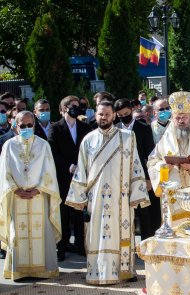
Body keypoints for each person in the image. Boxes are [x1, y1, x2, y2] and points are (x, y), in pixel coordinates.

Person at [65, 101, 150, 285]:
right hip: (95, 198)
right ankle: (97, 272)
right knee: (96, 235)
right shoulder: (88, 140)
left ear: (114, 116)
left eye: (107, 114)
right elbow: (82, 170)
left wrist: (136, 194)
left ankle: (123, 271)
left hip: (121, 197)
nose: (103, 117)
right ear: (95, 115)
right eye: (100, 114)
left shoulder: (127, 137)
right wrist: (79, 199)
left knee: (120, 233)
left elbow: (136, 166)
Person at [0, 111, 61, 280]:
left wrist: (39, 189)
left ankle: (44, 269)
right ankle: (19, 270)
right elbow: (4, 172)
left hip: (39, 197)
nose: (26, 128)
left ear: (34, 125)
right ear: (15, 126)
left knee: (41, 231)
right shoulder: (9, 145)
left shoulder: (43, 145)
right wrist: (14, 188)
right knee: (17, 232)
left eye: (29, 125)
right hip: (16, 197)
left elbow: (49, 171)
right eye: (22, 126)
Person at [147, 91, 190, 228]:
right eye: (177, 117)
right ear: (172, 118)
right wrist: (163, 167)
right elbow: (152, 161)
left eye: (184, 117)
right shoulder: (165, 140)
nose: (181, 120)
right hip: (174, 197)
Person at [48, 95, 93, 261]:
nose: (77, 108)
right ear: (64, 108)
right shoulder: (55, 128)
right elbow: (53, 152)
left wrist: (82, 166)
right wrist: (69, 165)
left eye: (78, 105)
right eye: (73, 106)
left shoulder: (85, 127)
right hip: (63, 177)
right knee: (64, 213)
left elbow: (90, 150)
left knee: (79, 211)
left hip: (82, 177)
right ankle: (62, 246)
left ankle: (82, 246)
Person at [115, 99, 160, 240]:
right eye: (120, 115)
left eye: (127, 113)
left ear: (132, 110)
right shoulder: (114, 129)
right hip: (121, 177)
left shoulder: (143, 128)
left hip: (140, 176)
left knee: (144, 212)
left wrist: (148, 179)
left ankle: (146, 243)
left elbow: (150, 155)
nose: (124, 117)